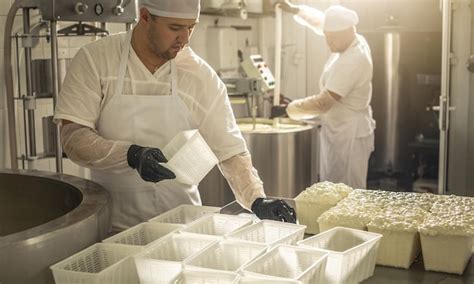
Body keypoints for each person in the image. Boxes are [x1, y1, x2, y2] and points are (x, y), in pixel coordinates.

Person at [54, 0, 296, 232]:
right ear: (145, 16)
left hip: (182, 225)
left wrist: (256, 200)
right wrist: (131, 155)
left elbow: (230, 150)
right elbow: (74, 137)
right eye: (175, 28)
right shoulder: (96, 60)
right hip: (112, 225)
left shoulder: (199, 76)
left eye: (191, 27)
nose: (185, 39)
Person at [280, 3, 375, 189]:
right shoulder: (349, 38)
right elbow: (320, 22)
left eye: (333, 38)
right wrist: (294, 9)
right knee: (333, 186)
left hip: (349, 134)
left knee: (348, 189)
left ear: (349, 31)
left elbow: (323, 103)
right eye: (326, 37)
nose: (328, 42)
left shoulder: (353, 59)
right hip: (338, 129)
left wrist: (289, 109)